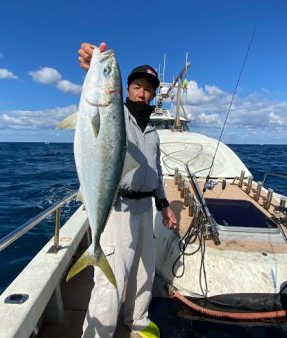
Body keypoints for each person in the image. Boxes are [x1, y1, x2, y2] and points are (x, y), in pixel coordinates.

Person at [78, 42, 177, 338]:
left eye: (148, 88)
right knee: (111, 282)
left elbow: (156, 172)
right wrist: (91, 67)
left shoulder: (153, 132)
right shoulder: (116, 114)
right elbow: (97, 106)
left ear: (153, 94)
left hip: (145, 209)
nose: (142, 92)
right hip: (116, 208)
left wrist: (164, 204)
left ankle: (138, 321)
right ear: (125, 90)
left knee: (145, 272)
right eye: (136, 86)